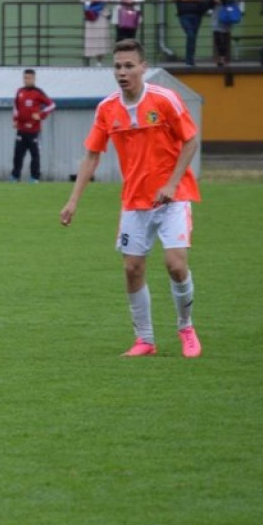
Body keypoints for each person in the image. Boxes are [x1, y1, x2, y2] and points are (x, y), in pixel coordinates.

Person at [59, 39, 202, 359]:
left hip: (173, 198)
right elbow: (91, 157)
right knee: (132, 269)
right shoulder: (107, 108)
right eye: (117, 67)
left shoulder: (165, 100)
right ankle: (145, 341)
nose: (122, 72)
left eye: (128, 66)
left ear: (143, 67)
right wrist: (73, 201)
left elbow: (190, 142)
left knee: (175, 265)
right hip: (134, 202)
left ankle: (186, 327)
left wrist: (171, 183)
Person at [10, 69, 56, 183]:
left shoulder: (38, 92)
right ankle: (15, 176)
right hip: (21, 129)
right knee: (18, 155)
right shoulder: (19, 91)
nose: (27, 80)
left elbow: (52, 105)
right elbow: (15, 107)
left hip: (34, 130)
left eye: (29, 78)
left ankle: (34, 177)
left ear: (34, 79)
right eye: (25, 78)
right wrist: (15, 119)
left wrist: (41, 115)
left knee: (35, 155)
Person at [171, 0, 205, 66]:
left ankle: (191, 58)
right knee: (190, 34)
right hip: (184, 14)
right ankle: (188, 59)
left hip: (196, 14)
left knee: (193, 37)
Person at [80, 0, 112, 67]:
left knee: (100, 38)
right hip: (90, 15)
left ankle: (99, 61)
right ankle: (88, 61)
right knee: (90, 38)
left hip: (101, 14)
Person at [205, 0, 236, 66]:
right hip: (215, 13)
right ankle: (220, 55)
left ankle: (223, 57)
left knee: (225, 35)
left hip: (226, 13)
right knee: (217, 35)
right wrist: (213, 1)